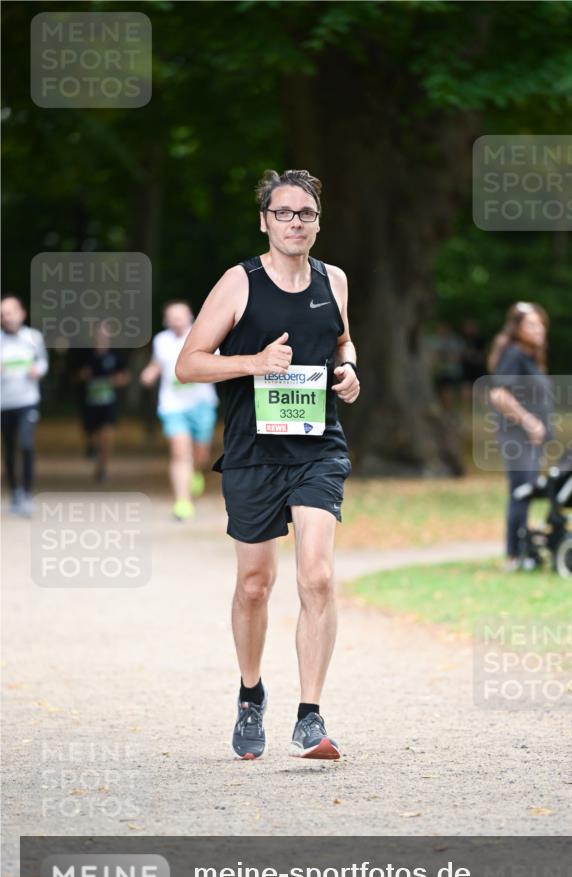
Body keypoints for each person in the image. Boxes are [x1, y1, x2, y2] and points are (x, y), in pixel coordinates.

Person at [175, 168, 360, 761]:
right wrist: (253, 363)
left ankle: (310, 715)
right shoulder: (239, 282)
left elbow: (342, 342)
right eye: (283, 213)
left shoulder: (335, 280)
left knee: (318, 576)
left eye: (305, 214)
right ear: (265, 220)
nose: (295, 223)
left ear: (317, 221)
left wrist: (350, 371)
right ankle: (251, 695)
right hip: (254, 452)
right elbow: (190, 364)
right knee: (255, 586)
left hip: (318, 447)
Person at [487, 302, 553, 571]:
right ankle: (515, 555)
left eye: (541, 324)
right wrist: (528, 421)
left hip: (532, 440)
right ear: (518, 329)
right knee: (521, 492)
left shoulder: (531, 356)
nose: (539, 330)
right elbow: (499, 394)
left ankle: (526, 551)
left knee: (526, 492)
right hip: (518, 437)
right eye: (532, 325)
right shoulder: (513, 354)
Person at [140, 300, 219, 520]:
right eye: (172, 316)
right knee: (179, 451)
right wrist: (150, 373)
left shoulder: (203, 336)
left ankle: (195, 472)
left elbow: (217, 362)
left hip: (202, 403)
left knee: (200, 453)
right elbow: (158, 363)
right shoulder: (161, 340)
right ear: (166, 320)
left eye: (180, 316)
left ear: (190, 316)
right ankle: (182, 502)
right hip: (172, 405)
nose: (176, 320)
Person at [0, 295, 49, 515]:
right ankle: (15, 494)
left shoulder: (33, 337)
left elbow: (43, 362)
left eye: (9, 312)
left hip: (28, 401)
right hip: (4, 403)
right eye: (2, 314)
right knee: (9, 449)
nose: (6, 317)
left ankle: (28, 494)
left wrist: (37, 371)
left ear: (22, 313)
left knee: (26, 444)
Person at [76, 321, 130, 482]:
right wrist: (82, 375)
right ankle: (92, 446)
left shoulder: (115, 354)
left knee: (106, 435)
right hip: (89, 402)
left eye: (105, 332)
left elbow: (125, 376)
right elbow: (75, 375)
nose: (102, 335)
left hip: (109, 403)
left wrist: (116, 380)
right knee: (93, 435)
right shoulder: (85, 354)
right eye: (99, 332)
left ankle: (103, 468)